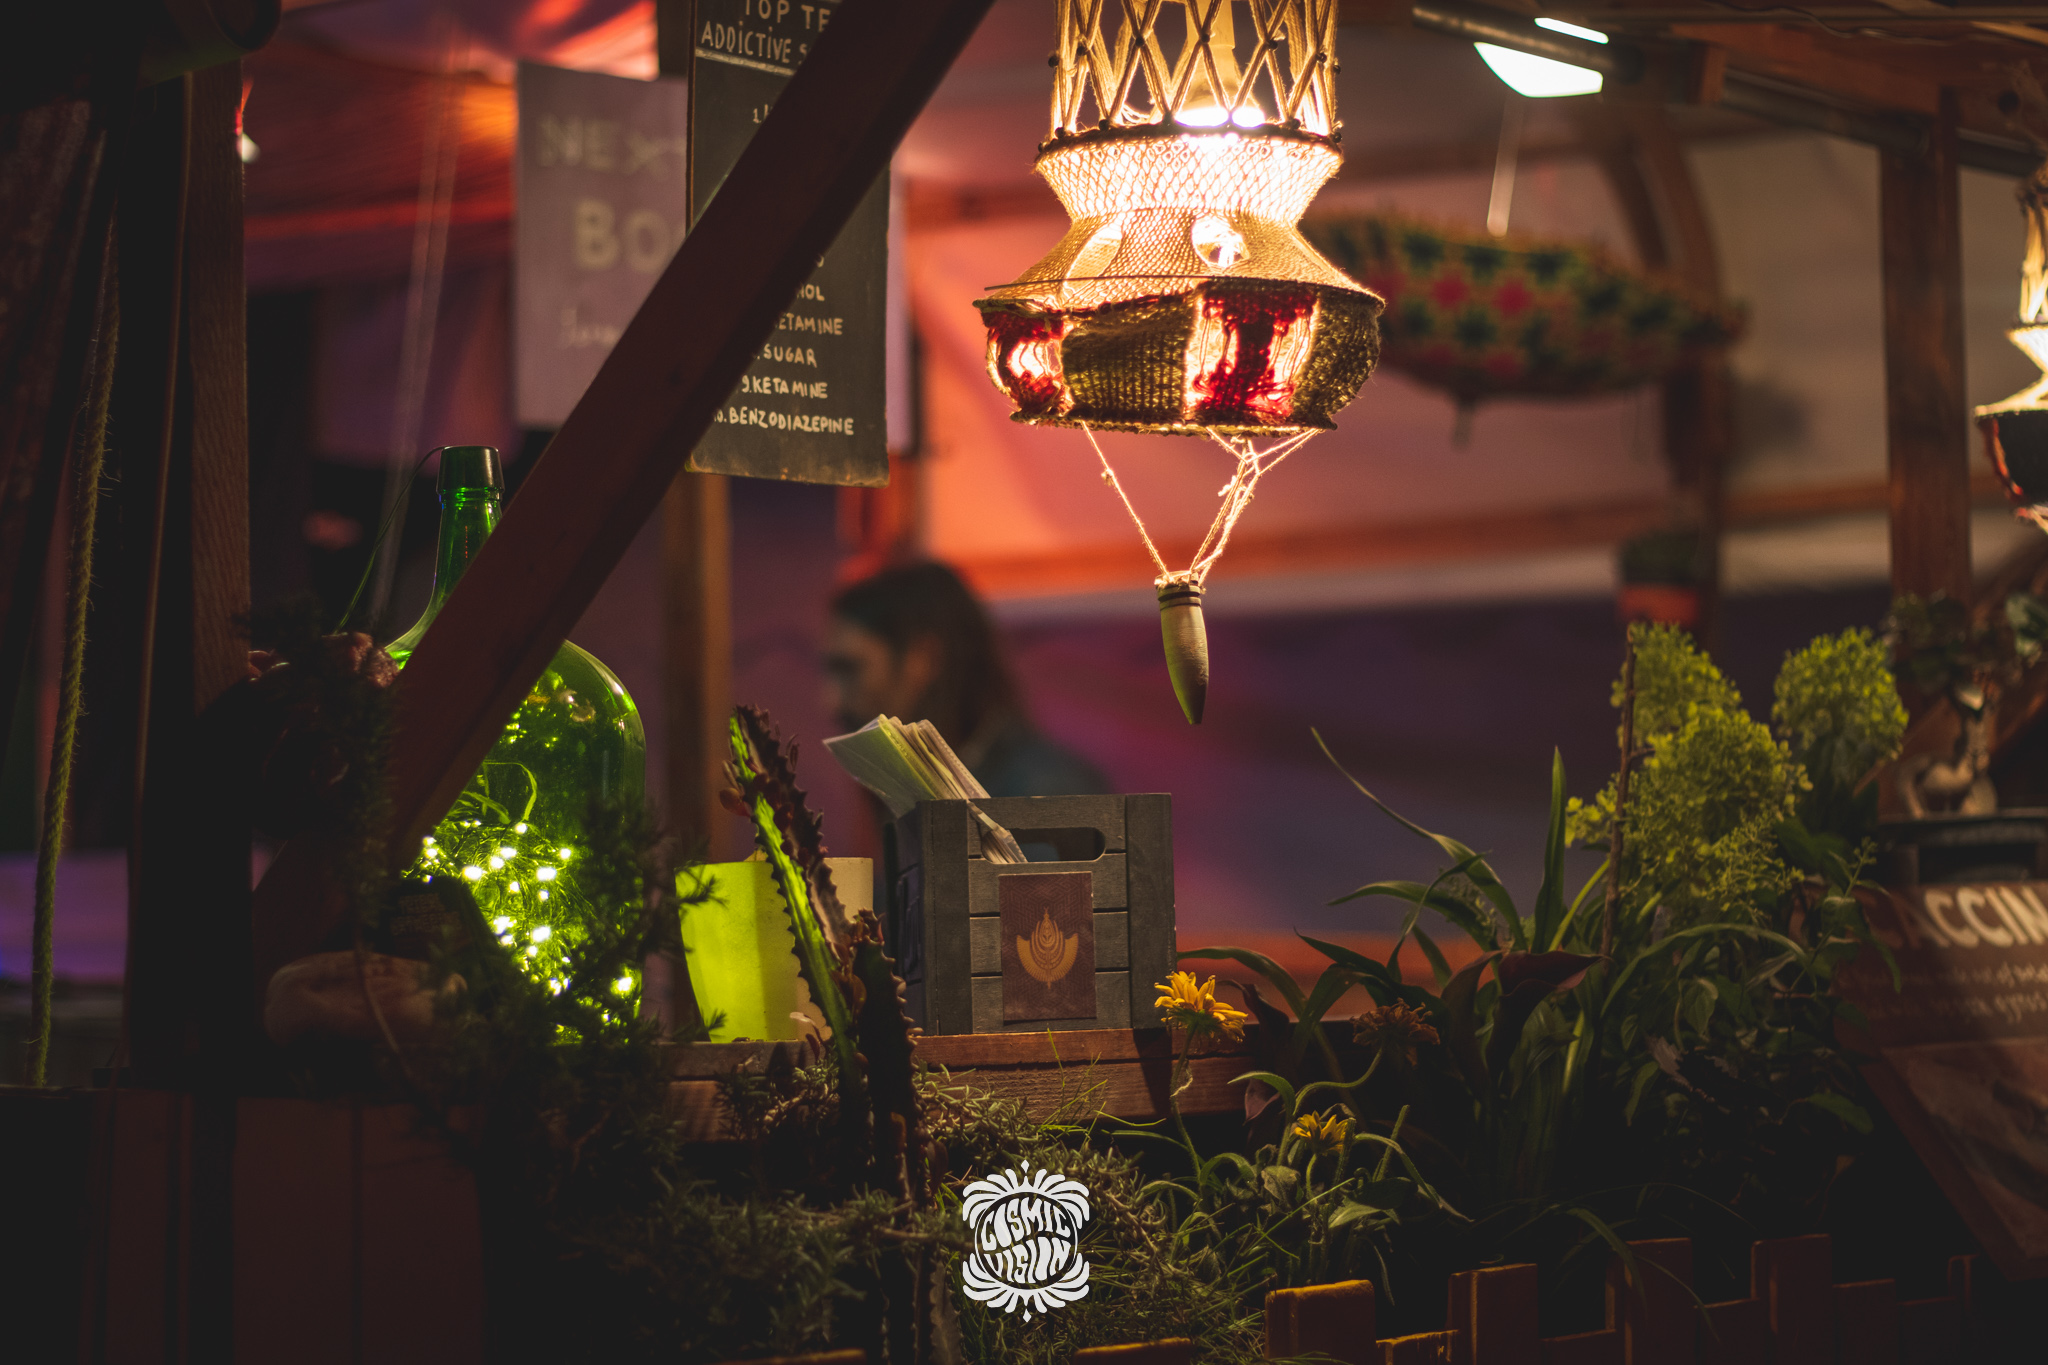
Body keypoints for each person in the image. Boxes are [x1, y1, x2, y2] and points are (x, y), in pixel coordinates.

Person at [824, 560, 1108, 798]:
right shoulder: (935, 789)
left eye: (850, 668)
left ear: (923, 659)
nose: (831, 701)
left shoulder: (1042, 792)